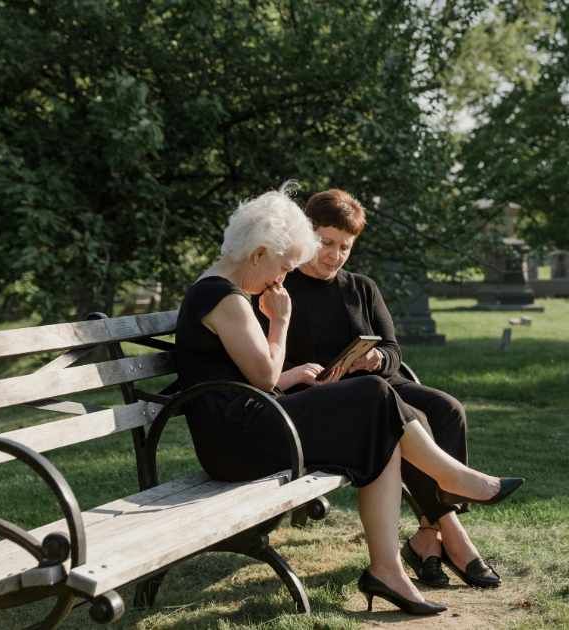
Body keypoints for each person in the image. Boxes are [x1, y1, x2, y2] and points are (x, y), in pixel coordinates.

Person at [175, 183, 522, 616]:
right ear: (259, 251)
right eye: (282, 266)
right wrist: (280, 323)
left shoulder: (226, 292)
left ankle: (387, 570)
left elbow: (247, 378)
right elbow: (262, 378)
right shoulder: (223, 297)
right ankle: (452, 483)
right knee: (373, 396)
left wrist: (290, 371)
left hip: (252, 423)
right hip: (235, 444)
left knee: (377, 423)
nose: (281, 279)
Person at [270, 188, 501, 588]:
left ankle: (429, 536)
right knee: (410, 420)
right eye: (326, 242)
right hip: (327, 401)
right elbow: (270, 361)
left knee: (447, 409)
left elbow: (392, 348)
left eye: (345, 246)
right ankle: (454, 540)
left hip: (379, 383)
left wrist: (377, 359)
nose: (335, 255)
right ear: (305, 233)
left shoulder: (361, 287)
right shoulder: (280, 289)